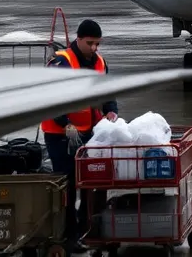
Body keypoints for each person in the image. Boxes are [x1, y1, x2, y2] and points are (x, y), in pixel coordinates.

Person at [41, 19, 116, 247]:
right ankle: (69, 236)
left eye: (97, 44)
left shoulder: (100, 62)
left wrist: (111, 111)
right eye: (90, 43)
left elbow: (107, 92)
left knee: (92, 182)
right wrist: (65, 123)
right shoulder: (62, 62)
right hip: (60, 134)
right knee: (69, 184)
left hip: (88, 133)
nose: (94, 48)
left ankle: (87, 229)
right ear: (79, 39)